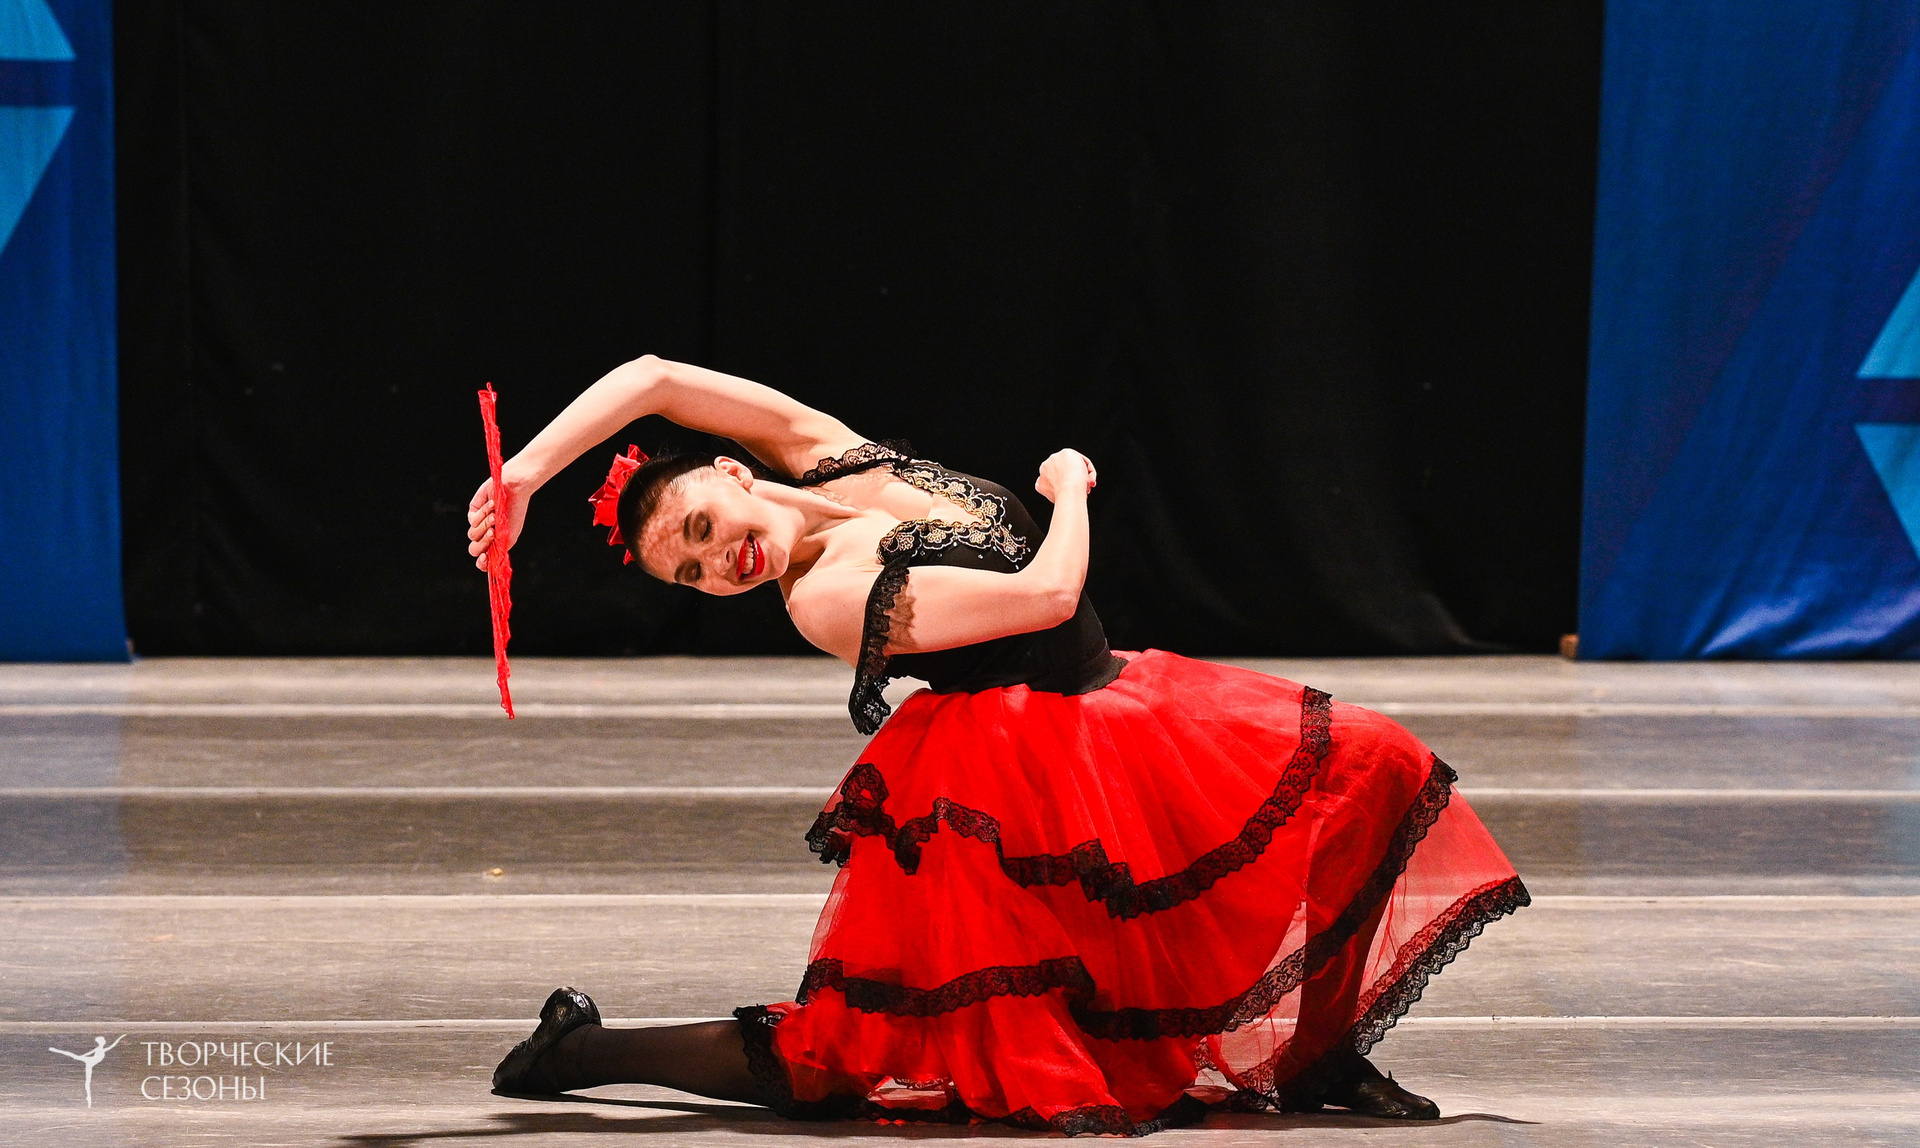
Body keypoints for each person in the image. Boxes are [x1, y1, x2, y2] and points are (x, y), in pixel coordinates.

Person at [467, 355, 1529, 1136]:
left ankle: (1317, 1053)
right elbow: (1046, 594)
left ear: (731, 474)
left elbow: (654, 377)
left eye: (701, 529)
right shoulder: (825, 596)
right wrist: (1068, 488)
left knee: (1373, 765)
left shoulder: (826, 453)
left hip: (1116, 704)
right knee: (851, 1050)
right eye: (693, 575)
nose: (720, 563)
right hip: (1016, 764)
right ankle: (580, 1050)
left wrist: (523, 476)